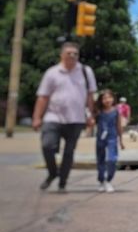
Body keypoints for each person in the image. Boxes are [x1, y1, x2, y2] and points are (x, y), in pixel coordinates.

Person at [33, 42, 97, 193]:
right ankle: (52, 172)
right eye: (69, 53)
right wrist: (37, 117)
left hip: (76, 119)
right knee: (47, 146)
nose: (73, 56)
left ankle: (62, 182)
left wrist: (91, 115)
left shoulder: (86, 72)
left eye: (75, 54)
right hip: (53, 116)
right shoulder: (52, 73)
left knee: (69, 152)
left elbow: (90, 96)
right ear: (61, 55)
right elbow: (43, 97)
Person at [94, 89, 124, 193]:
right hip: (100, 137)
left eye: (109, 97)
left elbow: (119, 126)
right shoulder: (98, 111)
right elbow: (91, 121)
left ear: (113, 99)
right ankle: (102, 180)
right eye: (104, 98)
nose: (107, 100)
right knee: (100, 159)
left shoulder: (116, 111)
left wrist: (121, 140)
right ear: (101, 100)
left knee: (112, 159)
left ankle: (109, 179)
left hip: (112, 137)